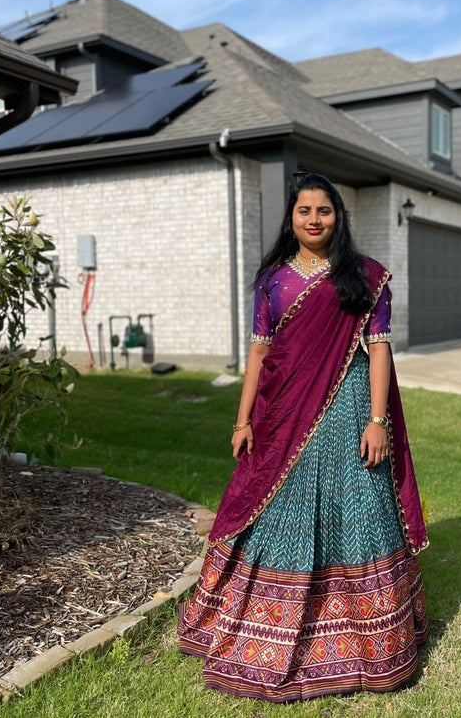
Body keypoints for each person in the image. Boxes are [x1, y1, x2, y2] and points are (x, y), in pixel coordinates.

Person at [178, 173, 428, 702]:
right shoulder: (273, 279)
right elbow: (259, 353)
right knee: (278, 505)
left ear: (339, 216)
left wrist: (377, 420)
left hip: (350, 406)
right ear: (291, 218)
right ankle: (269, 626)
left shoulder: (364, 276)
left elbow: (379, 349)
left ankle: (370, 643)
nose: (314, 220)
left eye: (325, 211)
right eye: (304, 211)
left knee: (358, 509)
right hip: (284, 412)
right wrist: (242, 420)